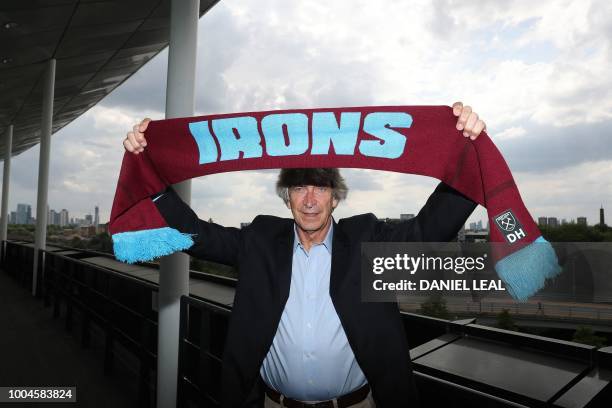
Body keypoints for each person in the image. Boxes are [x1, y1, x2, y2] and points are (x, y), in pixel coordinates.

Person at [123, 102, 486, 408]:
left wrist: (466, 154)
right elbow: (197, 235)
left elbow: (429, 230)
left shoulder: (367, 240)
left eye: (321, 188)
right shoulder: (260, 240)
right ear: (287, 197)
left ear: (335, 196)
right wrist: (149, 172)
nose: (310, 200)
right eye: (299, 187)